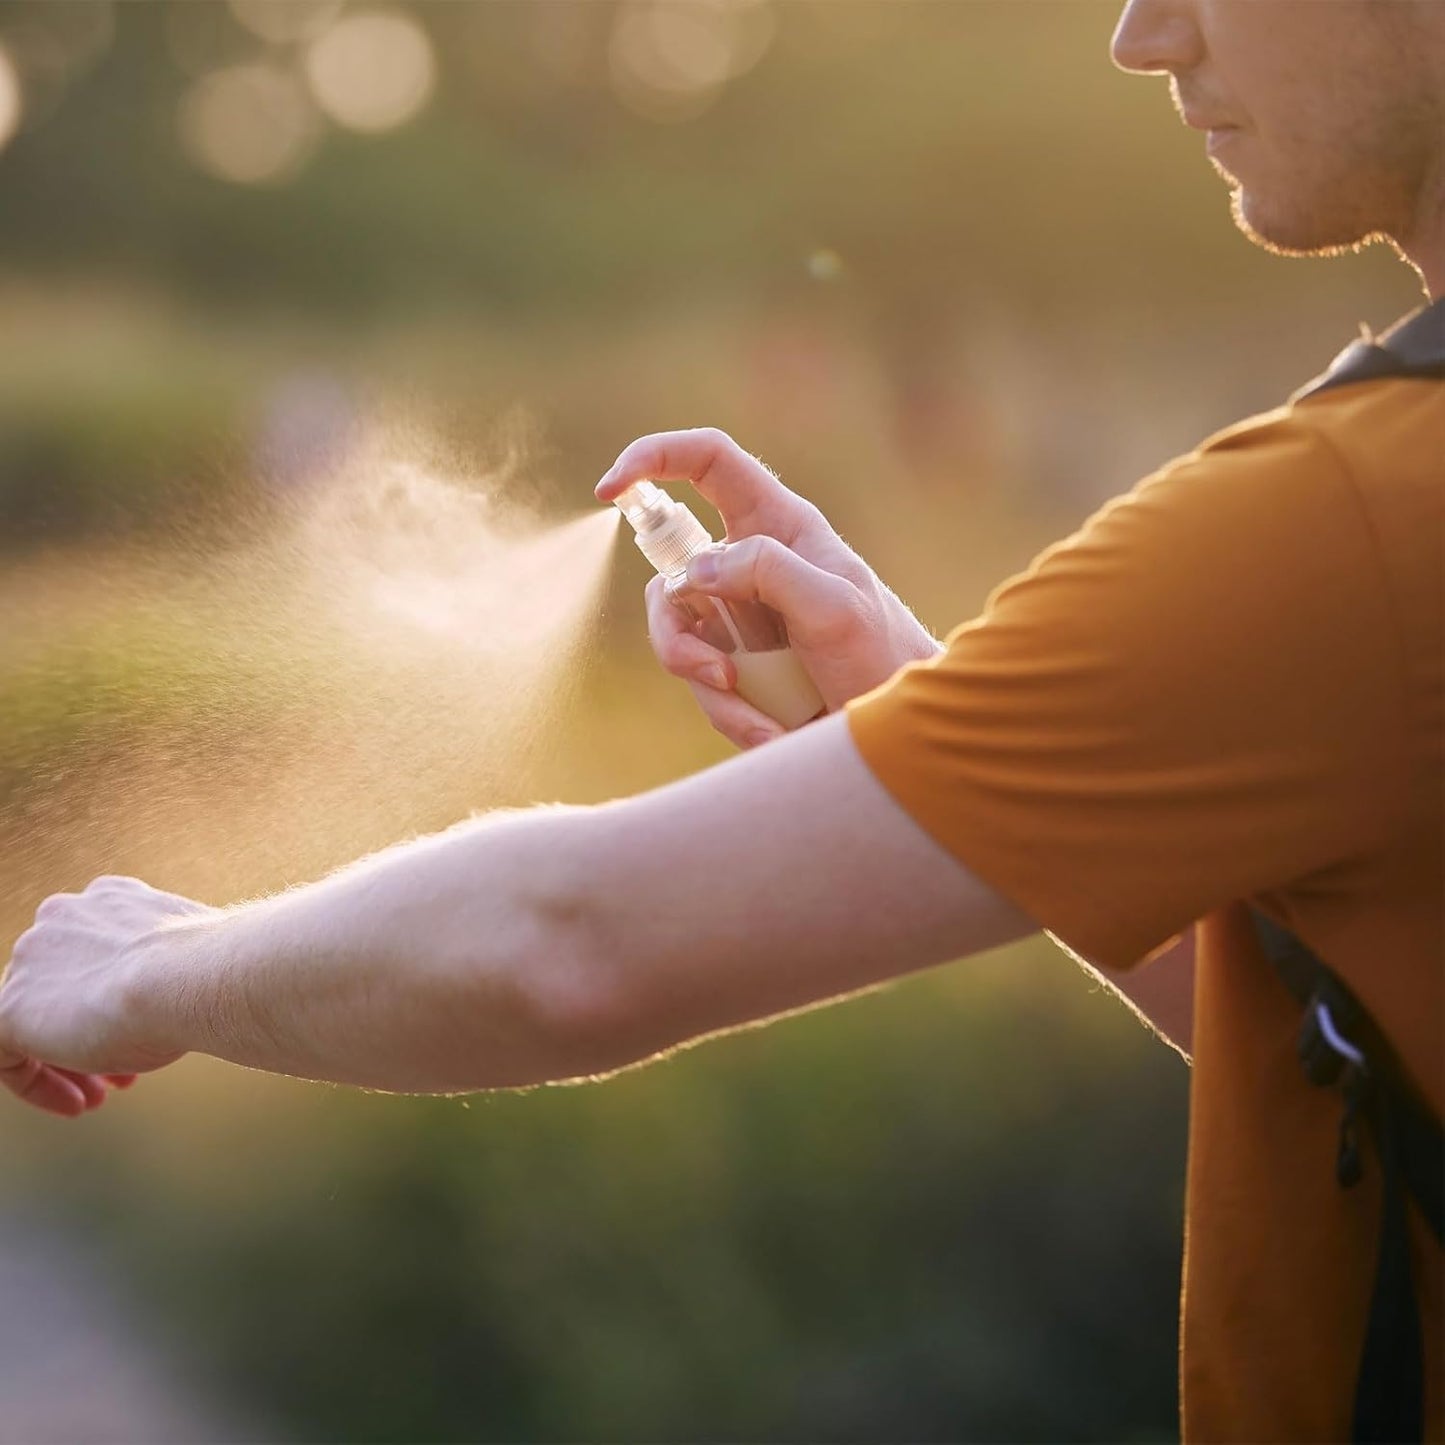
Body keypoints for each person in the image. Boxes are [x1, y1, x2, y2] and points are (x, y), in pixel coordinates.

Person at [2, 0, 1441, 1438]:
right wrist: (914, 714)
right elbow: (1329, 1031)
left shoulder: (1355, 514)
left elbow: (568, 945)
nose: (1142, 35)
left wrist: (149, 962)